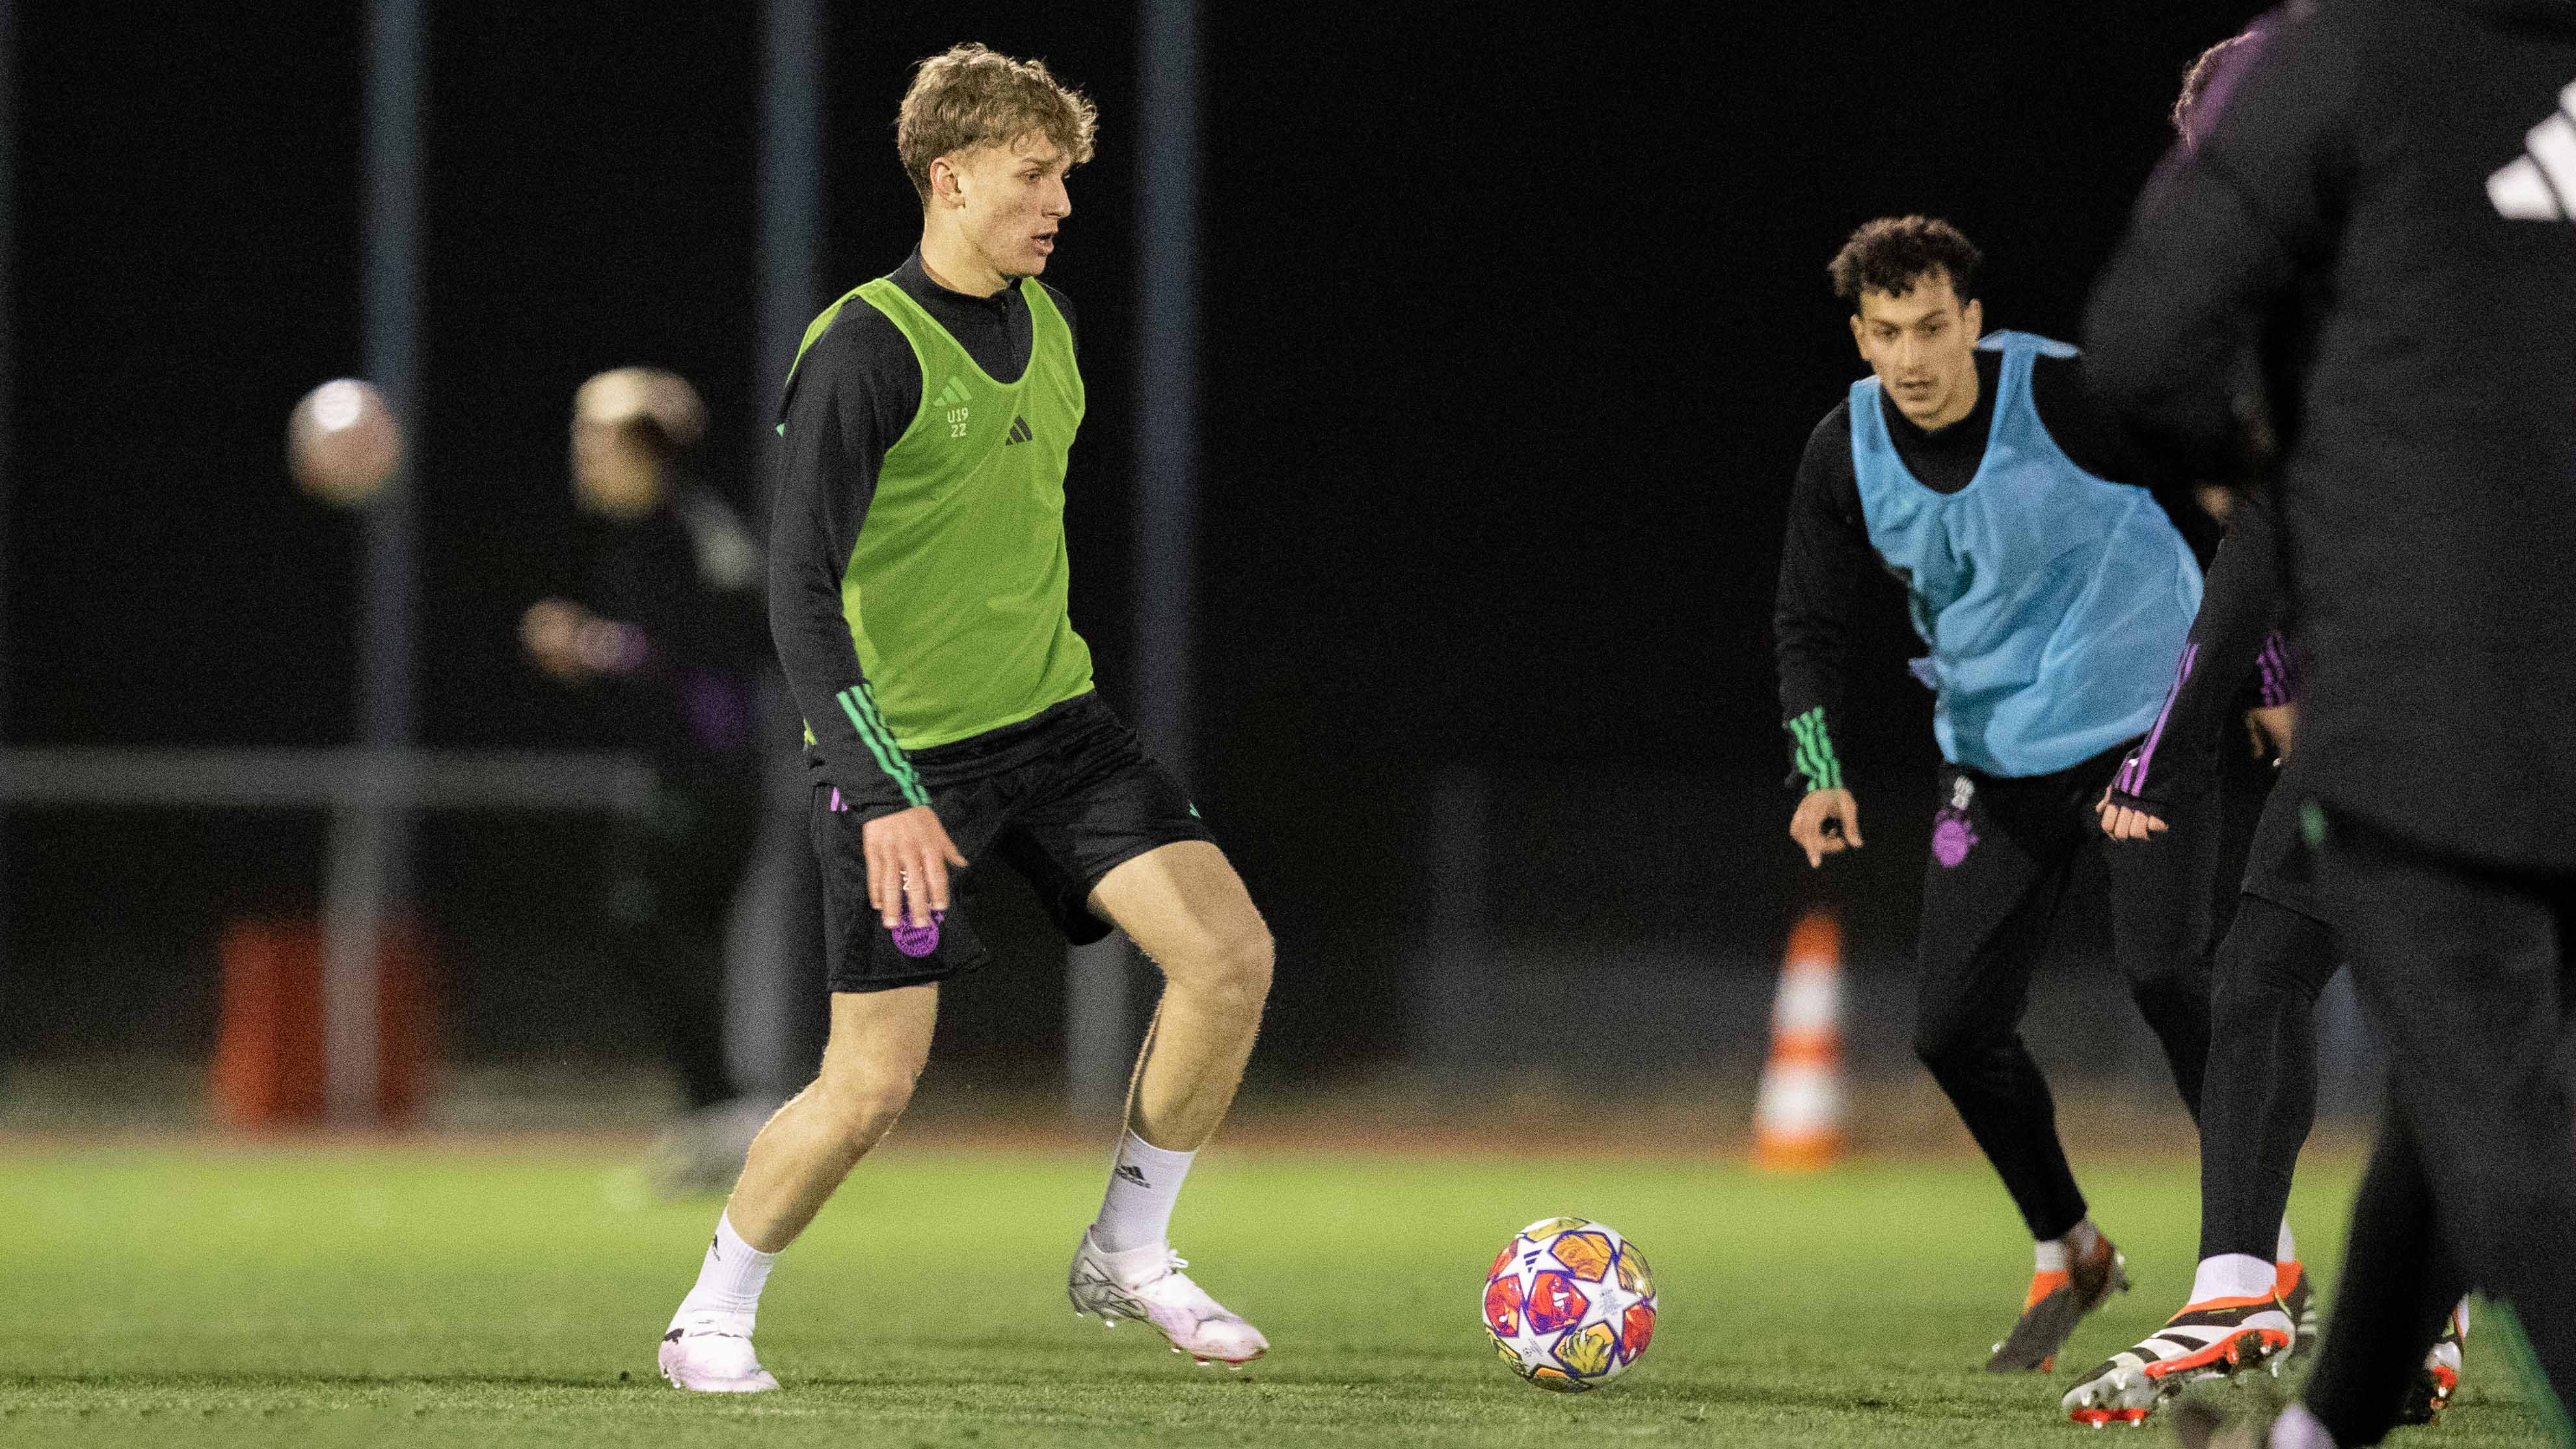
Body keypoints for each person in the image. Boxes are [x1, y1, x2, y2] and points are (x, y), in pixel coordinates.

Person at [656, 44, 1274, 1394]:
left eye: (1065, 176)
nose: (1059, 202)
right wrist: (880, 791)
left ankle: (1130, 1246)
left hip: (1058, 730)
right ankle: (708, 1313)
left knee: (1228, 956)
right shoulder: (866, 347)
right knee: (872, 1083)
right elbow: (799, 590)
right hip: (905, 760)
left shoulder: (1047, 324)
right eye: (1034, 174)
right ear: (951, 176)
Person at [2085, 0, 2576, 1443]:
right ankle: (2326, 1412)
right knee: (2461, 1075)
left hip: (2449, 716)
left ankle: (2248, 1286)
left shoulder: (2344, 60)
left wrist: (2274, 475)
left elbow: (2144, 348)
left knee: (2511, 1135)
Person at [1773, 215, 2218, 1374]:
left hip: (2142, 727)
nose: (1912, 358)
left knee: (2171, 972)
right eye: (1885, 333)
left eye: (1933, 327)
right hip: (1996, 752)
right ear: (1860, 337)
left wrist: (2264, 672)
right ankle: (2070, 1246)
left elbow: (2225, 495)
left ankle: (2250, 1259)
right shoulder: (1845, 449)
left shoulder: (2068, 397)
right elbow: (1808, 625)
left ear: (1974, 320)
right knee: (1950, 1028)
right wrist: (1819, 777)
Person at [522, 366, 775, 1195]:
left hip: (710, 776)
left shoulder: (676, 532)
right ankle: (715, 1115)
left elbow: (705, 656)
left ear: (644, 449)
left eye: (596, 438)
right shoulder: (666, 530)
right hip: (705, 773)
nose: (583, 456)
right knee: (670, 935)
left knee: (645, 921)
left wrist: (588, 645)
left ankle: (726, 1112)